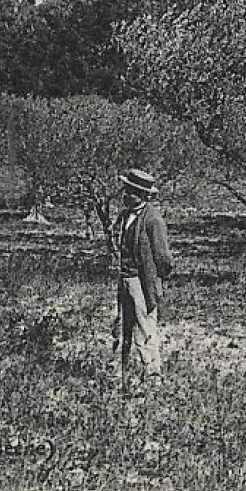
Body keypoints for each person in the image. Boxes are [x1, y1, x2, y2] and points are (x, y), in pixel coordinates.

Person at [112, 168, 173, 396]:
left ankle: (152, 376)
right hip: (125, 279)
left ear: (144, 195)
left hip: (141, 281)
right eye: (127, 190)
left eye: (132, 191)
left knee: (146, 329)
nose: (126, 195)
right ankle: (123, 374)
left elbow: (163, 257)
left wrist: (157, 279)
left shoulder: (153, 219)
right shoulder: (125, 215)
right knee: (122, 329)